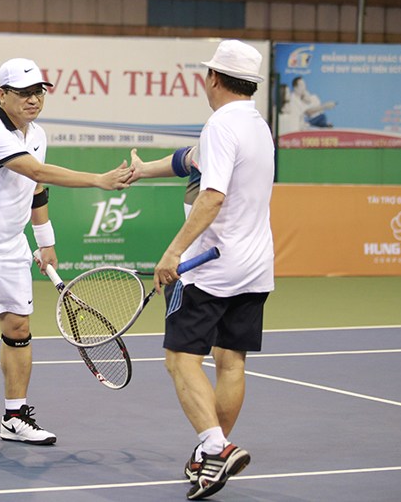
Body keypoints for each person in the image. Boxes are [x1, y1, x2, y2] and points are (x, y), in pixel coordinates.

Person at [0, 57, 132, 456]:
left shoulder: (37, 134)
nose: (34, 99)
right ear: (1, 95)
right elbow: (39, 173)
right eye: (24, 93)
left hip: (11, 243)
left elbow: (35, 190)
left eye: (39, 92)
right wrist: (99, 180)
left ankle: (15, 416)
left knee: (18, 328)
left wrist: (45, 241)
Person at [129, 40, 274, 500]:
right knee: (230, 362)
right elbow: (189, 159)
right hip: (255, 267)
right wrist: (141, 170)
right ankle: (211, 456)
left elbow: (211, 197)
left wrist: (172, 253)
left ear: (213, 78)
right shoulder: (257, 126)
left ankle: (216, 446)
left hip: (208, 268)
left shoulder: (220, 125)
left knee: (180, 359)